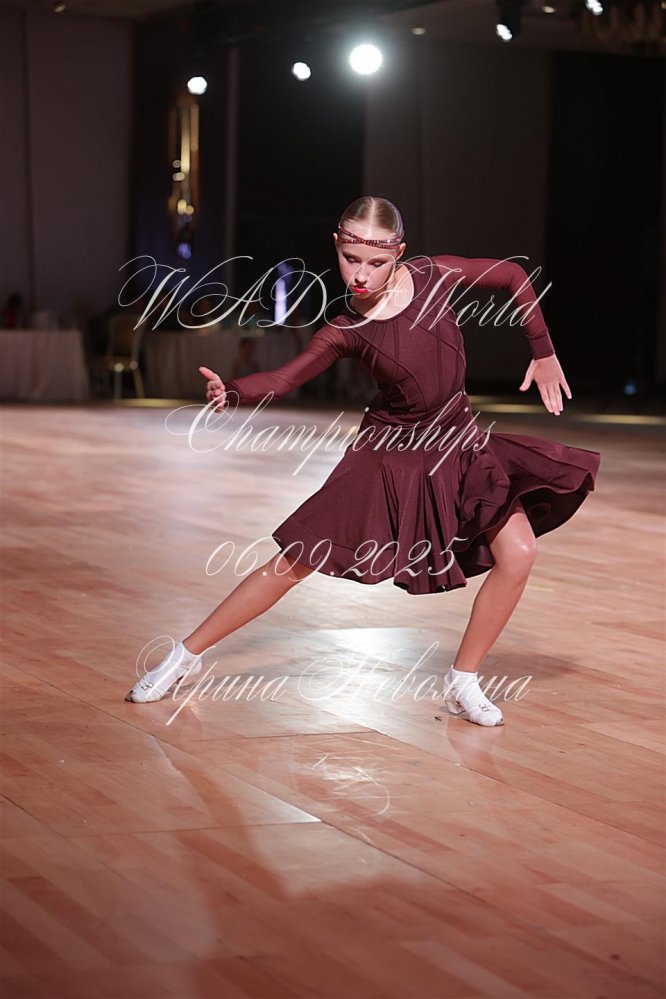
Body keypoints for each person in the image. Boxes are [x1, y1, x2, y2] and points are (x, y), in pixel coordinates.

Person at [126, 195, 601, 725]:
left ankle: (462, 681)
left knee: (520, 552)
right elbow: (285, 378)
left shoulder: (435, 276)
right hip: (387, 454)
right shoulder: (345, 329)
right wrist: (232, 391)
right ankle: (182, 657)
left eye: (376, 262)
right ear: (336, 245)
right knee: (296, 558)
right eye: (351, 259)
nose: (361, 274)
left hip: (457, 443)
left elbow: (513, 275)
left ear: (399, 251)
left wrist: (543, 350)